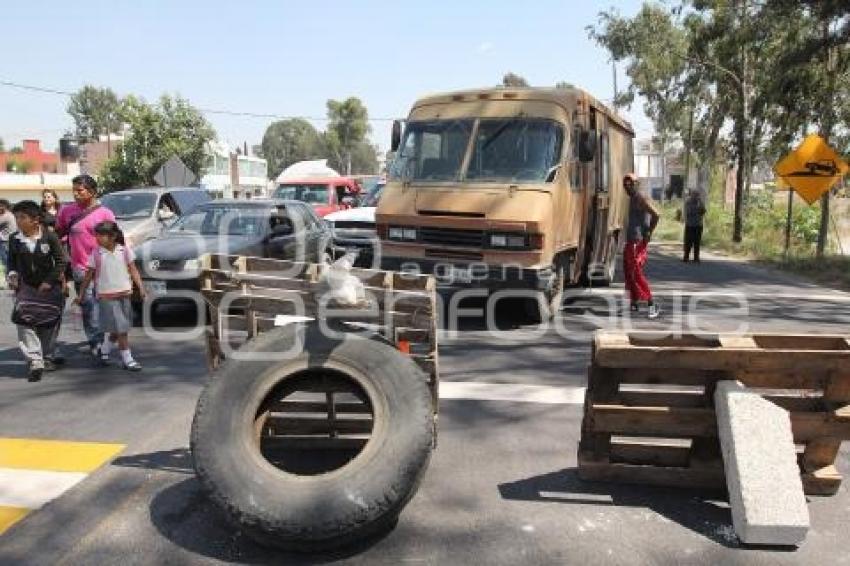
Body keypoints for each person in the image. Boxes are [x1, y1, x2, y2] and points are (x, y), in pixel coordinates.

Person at [56, 175, 116, 358]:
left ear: (92, 191)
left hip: (104, 267)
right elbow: (58, 235)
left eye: (79, 190)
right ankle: (95, 342)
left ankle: (104, 336)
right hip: (81, 268)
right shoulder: (66, 212)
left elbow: (115, 240)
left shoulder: (105, 213)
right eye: (73, 190)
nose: (75, 194)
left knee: (105, 306)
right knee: (89, 306)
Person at [6, 200, 67, 382]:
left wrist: (49, 281)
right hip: (25, 288)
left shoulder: (50, 237)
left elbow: (61, 261)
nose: (18, 221)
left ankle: (47, 355)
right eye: (16, 217)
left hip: (49, 289)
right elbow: (11, 262)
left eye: (22, 217)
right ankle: (35, 361)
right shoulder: (14, 239)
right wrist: (13, 274)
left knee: (48, 323)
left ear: (35, 220)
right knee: (24, 322)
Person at [75, 221, 145, 371]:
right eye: (97, 235)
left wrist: (141, 287)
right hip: (106, 297)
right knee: (121, 329)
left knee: (116, 329)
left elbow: (133, 270)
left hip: (124, 294)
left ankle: (104, 350)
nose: (98, 238)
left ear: (113, 236)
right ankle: (128, 359)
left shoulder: (124, 251)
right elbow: (88, 276)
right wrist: (81, 294)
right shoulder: (96, 254)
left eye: (101, 235)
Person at [622, 173, 661, 319]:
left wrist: (649, 231)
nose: (627, 186)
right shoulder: (633, 198)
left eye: (630, 183)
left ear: (636, 184)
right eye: (625, 184)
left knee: (636, 273)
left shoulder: (640, 198)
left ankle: (652, 304)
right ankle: (634, 302)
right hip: (631, 240)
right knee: (628, 271)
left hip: (637, 242)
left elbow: (656, 214)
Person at [683, 190, 706, 263]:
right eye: (695, 195)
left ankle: (696, 257)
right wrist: (697, 210)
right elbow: (689, 212)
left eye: (697, 195)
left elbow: (703, 211)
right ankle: (686, 257)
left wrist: (700, 205)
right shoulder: (688, 202)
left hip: (698, 225)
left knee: (697, 242)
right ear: (691, 195)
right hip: (690, 225)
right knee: (688, 241)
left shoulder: (700, 202)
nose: (696, 196)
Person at [0, 199, 17, 285]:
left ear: (3, 207)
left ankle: (10, 281)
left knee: (6, 262)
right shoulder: (10, 215)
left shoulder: (6, 216)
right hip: (7, 241)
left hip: (5, 241)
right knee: (7, 261)